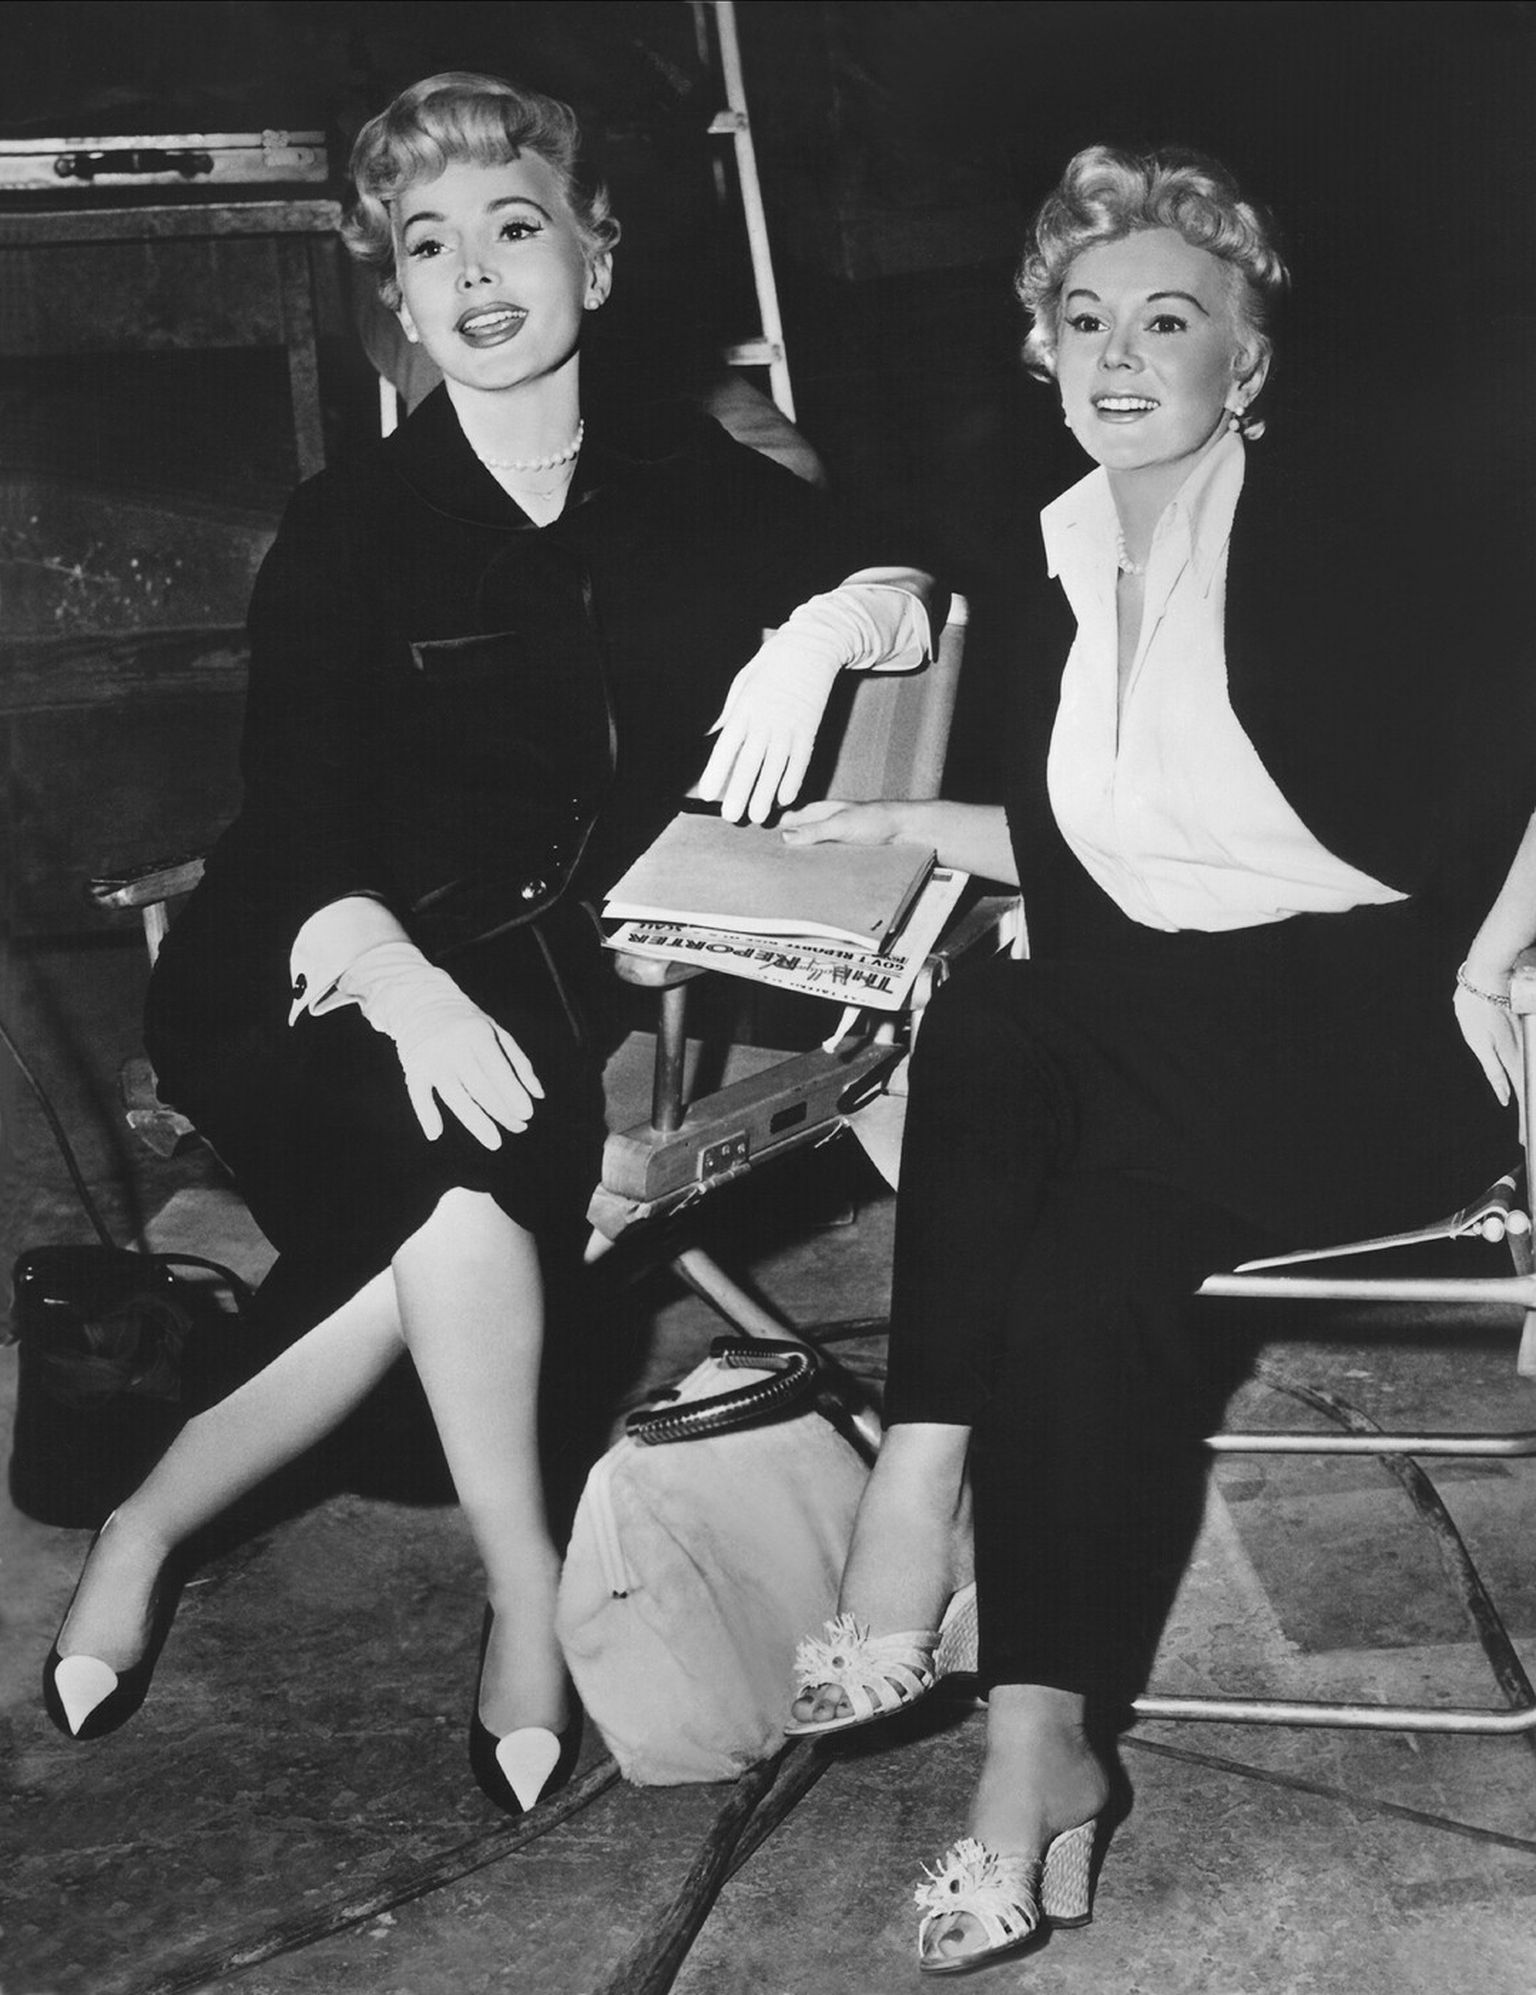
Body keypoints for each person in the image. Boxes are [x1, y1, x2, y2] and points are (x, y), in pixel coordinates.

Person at [40, 72, 935, 1819]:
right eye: (427, 245)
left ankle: (146, 1525)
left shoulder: (692, 481)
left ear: (594, 260)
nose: (473, 273)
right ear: (396, 290)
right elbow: (297, 818)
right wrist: (401, 987)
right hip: (309, 959)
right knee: (456, 1170)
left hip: (552, 967)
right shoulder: (351, 521)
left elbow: (904, 570)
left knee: (451, 1200)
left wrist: (833, 625)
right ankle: (529, 1593)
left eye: (513, 228)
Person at [776, 144, 1534, 1971]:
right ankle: (1036, 1763)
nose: (1120, 354)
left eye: (1169, 320)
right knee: (1082, 1269)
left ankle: (910, 1502)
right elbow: (1131, 841)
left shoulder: (1340, 527)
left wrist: (1501, 953)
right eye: (1084, 317)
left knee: (1000, 1020)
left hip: (1385, 1035)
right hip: (1179, 1044)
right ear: (1039, 347)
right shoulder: (1054, 558)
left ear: (1243, 361)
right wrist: (904, 831)